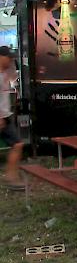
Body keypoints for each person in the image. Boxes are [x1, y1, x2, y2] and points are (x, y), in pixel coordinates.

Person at [0, 47, 23, 190]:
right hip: (1, 117)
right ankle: (11, 178)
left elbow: (15, 80)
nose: (10, 60)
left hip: (5, 115)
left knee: (17, 145)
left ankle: (11, 177)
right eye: (8, 57)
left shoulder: (5, 72)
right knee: (17, 145)